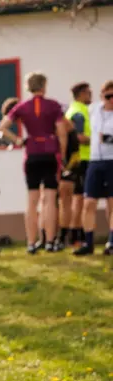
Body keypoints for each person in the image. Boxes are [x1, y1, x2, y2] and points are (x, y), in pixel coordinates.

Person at [0, 72, 68, 254]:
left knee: (32, 200)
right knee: (50, 199)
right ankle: (50, 241)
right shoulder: (53, 106)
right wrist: (63, 153)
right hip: (50, 153)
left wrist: (18, 140)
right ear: (43, 86)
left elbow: (2, 127)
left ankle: (31, 242)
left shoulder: (22, 107)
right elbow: (62, 132)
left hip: (32, 154)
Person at [75, 80, 113, 256]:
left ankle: (111, 242)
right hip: (95, 161)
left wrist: (107, 139)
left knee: (112, 203)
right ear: (101, 95)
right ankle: (88, 242)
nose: (111, 100)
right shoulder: (93, 109)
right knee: (89, 202)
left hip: (112, 160)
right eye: (108, 96)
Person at [59, 83, 92, 249]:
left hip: (79, 159)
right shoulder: (78, 112)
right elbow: (78, 137)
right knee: (79, 198)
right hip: (81, 159)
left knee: (77, 198)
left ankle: (72, 235)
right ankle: (74, 235)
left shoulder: (74, 110)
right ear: (81, 94)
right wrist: (96, 141)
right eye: (88, 92)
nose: (90, 95)